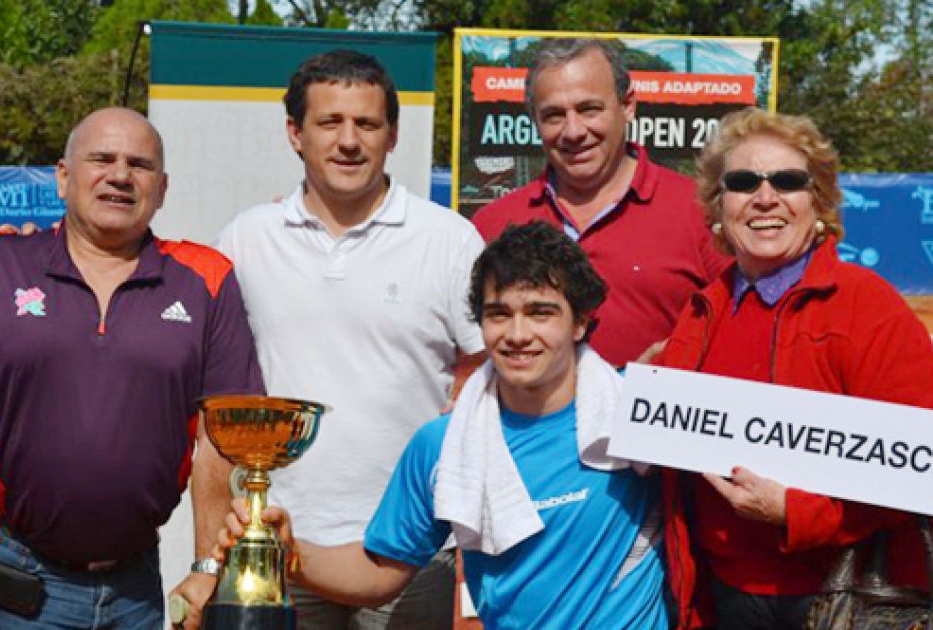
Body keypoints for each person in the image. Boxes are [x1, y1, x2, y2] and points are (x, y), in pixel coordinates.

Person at [215, 220, 668, 629]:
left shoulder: (636, 411)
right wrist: (286, 549)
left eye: (540, 312)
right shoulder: (445, 444)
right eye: (498, 313)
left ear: (580, 323)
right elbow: (379, 572)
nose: (516, 334)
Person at [175, 49, 486, 630]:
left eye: (367, 124)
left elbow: (489, 377)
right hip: (276, 547)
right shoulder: (245, 240)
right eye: (329, 123)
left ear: (392, 135)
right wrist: (205, 559)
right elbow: (216, 420)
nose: (349, 141)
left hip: (411, 552)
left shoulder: (450, 241)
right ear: (295, 133)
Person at [0, 107, 264, 629]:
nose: (120, 174)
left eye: (139, 165)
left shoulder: (204, 280)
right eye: (101, 159)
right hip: (15, 582)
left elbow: (223, 436)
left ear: (161, 189)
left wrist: (208, 566)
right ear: (63, 179)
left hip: (136, 591)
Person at [656, 107, 933, 630]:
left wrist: (799, 514)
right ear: (719, 206)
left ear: (818, 202)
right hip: (722, 594)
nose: (765, 198)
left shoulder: (869, 307)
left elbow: (919, 468)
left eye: (787, 181)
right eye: (743, 182)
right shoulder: (701, 311)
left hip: (846, 598)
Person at [472, 37, 729, 369]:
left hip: (655, 417)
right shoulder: (493, 224)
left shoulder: (700, 211)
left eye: (589, 109)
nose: (574, 131)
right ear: (534, 120)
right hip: (530, 421)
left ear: (628, 105)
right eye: (554, 116)